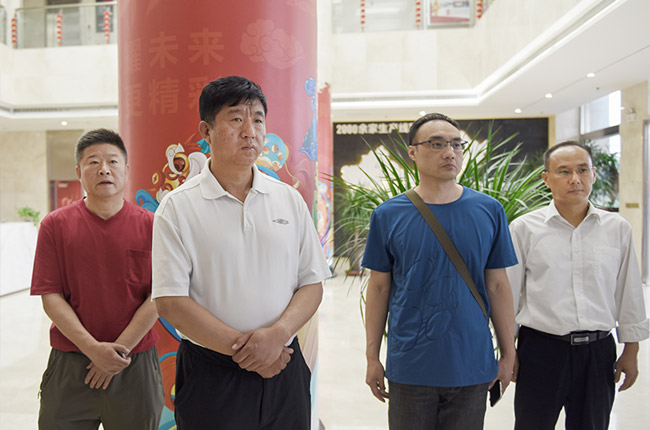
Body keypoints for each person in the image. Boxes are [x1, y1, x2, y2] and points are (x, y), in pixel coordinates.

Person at [152, 76, 331, 430]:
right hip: (212, 373)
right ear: (206, 130)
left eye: (258, 120)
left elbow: (312, 283)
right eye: (236, 119)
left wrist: (277, 336)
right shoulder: (177, 208)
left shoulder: (288, 200)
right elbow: (170, 302)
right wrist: (250, 351)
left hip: (284, 365)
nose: (250, 131)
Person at [363, 113, 518, 430]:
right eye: (436, 144)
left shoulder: (489, 210)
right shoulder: (388, 215)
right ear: (413, 152)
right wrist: (372, 357)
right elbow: (378, 288)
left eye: (456, 144)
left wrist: (508, 353)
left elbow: (498, 286)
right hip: (411, 366)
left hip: (471, 363)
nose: (450, 153)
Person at [507, 141, 649, 430]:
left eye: (583, 170)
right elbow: (508, 295)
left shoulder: (617, 228)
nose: (575, 179)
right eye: (564, 171)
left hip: (598, 353)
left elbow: (628, 291)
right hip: (541, 350)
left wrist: (631, 350)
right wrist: (508, 350)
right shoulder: (524, 228)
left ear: (593, 175)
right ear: (546, 178)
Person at [30, 128, 164, 430]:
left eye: (113, 161)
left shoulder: (153, 225)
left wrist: (117, 353)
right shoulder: (55, 225)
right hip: (71, 362)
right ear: (79, 172)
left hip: (134, 364)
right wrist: (93, 350)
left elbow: (159, 295)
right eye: (93, 162)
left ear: (126, 169)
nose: (104, 169)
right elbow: (50, 296)